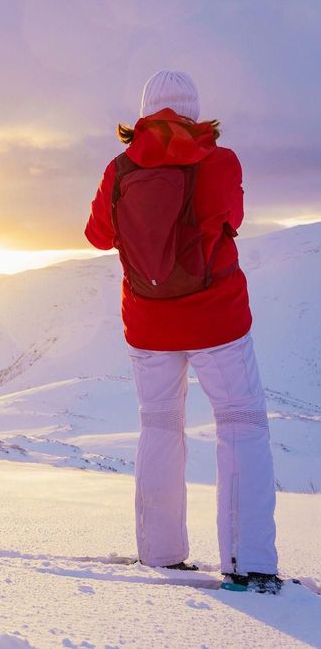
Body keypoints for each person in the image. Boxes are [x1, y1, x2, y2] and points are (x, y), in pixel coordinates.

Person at [85, 71, 280, 593]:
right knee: (241, 426)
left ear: (145, 111)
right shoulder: (219, 160)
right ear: (194, 112)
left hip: (147, 323)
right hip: (217, 316)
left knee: (160, 426)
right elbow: (231, 217)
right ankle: (250, 562)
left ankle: (161, 555)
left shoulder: (120, 169)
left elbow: (97, 235)